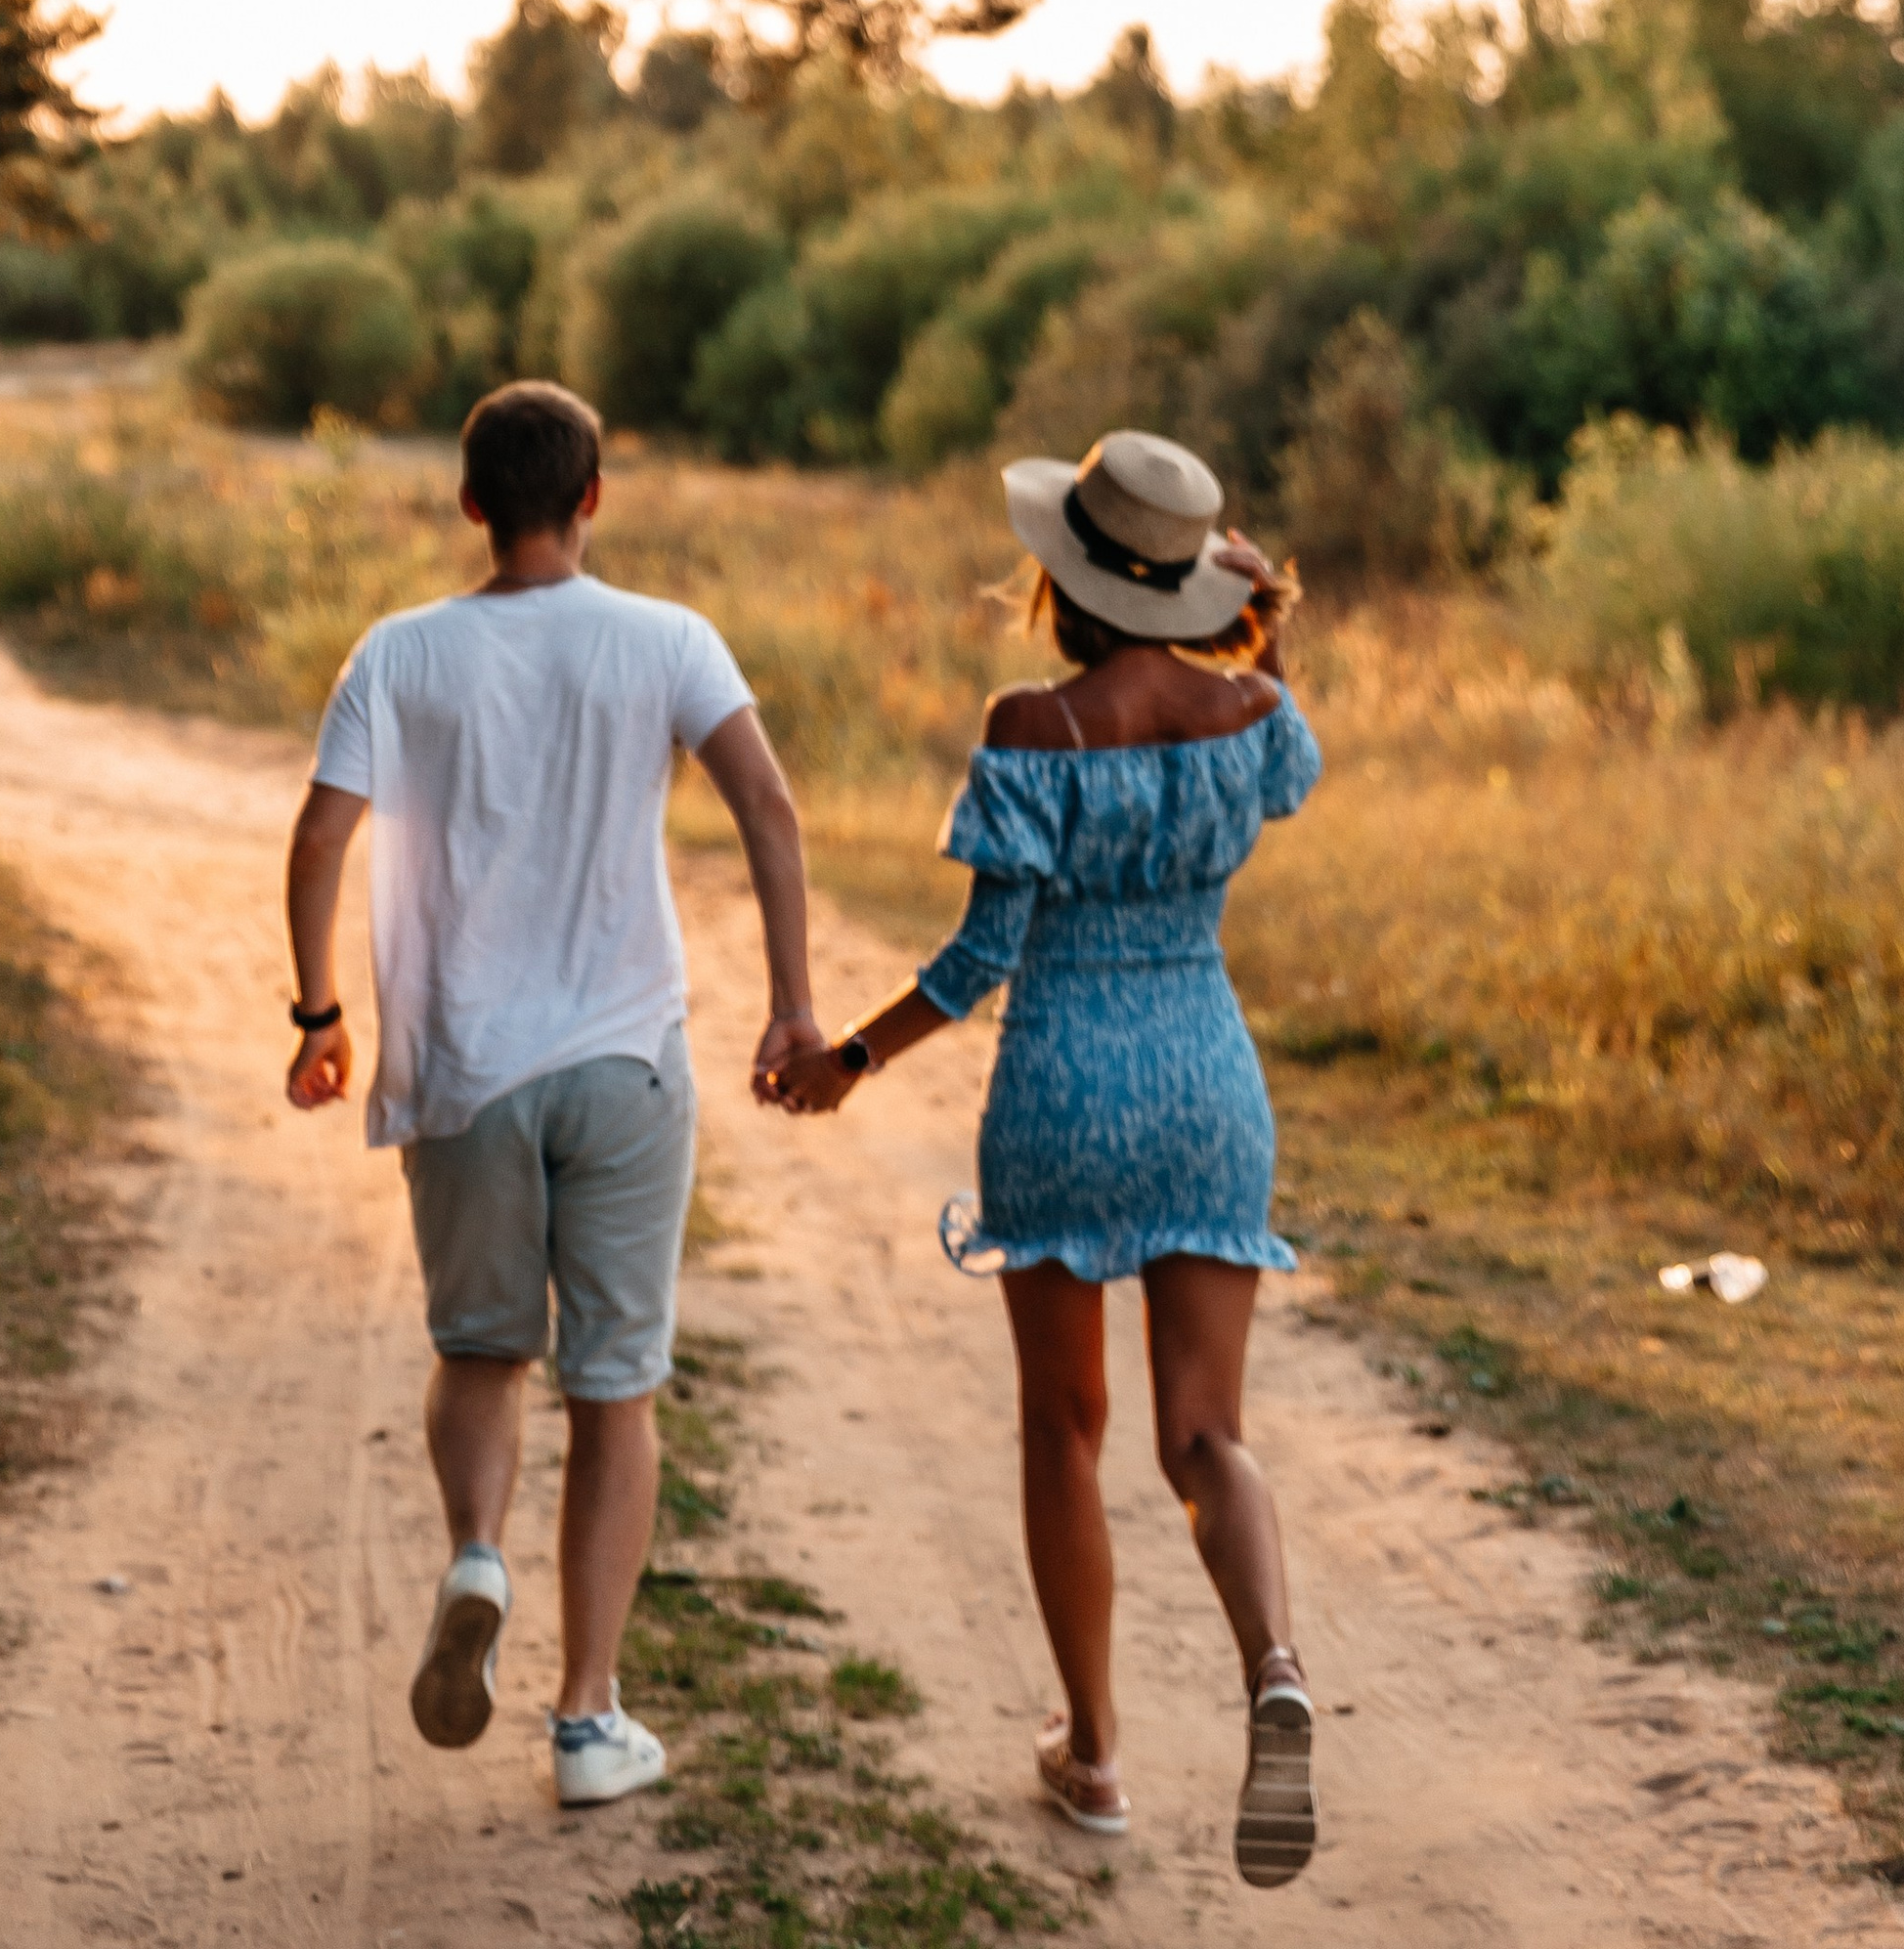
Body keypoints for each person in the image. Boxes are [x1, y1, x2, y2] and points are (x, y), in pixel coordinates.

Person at [769, 428, 1323, 1888]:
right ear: (1192, 581)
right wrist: (1262, 625)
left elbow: (977, 959)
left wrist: (850, 1060)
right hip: (1207, 1070)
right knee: (1207, 1432)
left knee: (1062, 1426)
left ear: (1064, 576)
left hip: (1065, 1082)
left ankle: (1095, 1753)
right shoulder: (1253, 704)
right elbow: (1293, 769)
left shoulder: (1036, 725)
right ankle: (1273, 1664)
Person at [284, 379, 821, 1808]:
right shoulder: (669, 638)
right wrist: (793, 1004)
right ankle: (589, 1719)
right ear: (593, 498)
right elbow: (768, 804)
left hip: (463, 1069)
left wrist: (322, 1014)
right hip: (625, 1059)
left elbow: (322, 836)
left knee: (479, 1351)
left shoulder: (397, 655)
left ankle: (477, 1551)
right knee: (617, 1387)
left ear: (471, 503)